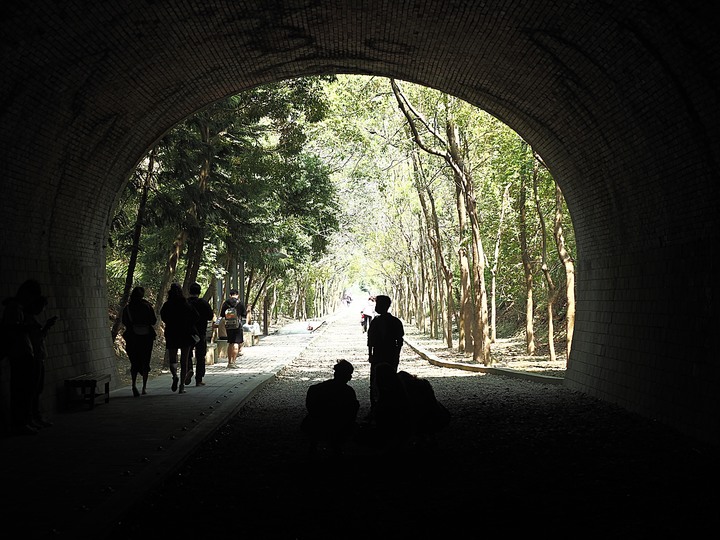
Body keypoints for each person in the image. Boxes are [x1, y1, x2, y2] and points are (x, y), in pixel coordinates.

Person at [0, 279, 53, 435]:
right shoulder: (15, 308)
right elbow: (11, 329)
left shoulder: (19, 308)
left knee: (27, 390)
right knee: (21, 390)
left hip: (25, 353)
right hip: (20, 353)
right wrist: (28, 327)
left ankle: (26, 420)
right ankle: (21, 422)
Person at [300, 360, 360, 456]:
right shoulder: (348, 392)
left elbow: (311, 407)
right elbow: (352, 411)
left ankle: (313, 447)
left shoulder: (316, 389)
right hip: (339, 425)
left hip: (316, 423)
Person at [366, 294, 404, 410]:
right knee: (377, 381)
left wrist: (371, 354)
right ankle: (377, 407)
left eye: (378, 304)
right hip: (385, 355)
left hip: (385, 355)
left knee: (381, 381)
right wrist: (370, 354)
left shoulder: (383, 322)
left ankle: (385, 406)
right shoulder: (392, 321)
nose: (376, 306)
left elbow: (399, 340)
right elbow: (370, 340)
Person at [160, 283, 199, 394]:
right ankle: (181, 386)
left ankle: (174, 376)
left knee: (173, 359)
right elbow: (196, 316)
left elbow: (163, 317)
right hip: (185, 334)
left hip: (172, 333)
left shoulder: (167, 305)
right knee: (184, 360)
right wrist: (188, 324)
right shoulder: (185, 303)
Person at [121, 286, 157, 397]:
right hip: (146, 338)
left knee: (134, 362)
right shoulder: (147, 306)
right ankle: (144, 387)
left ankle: (133, 385)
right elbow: (153, 321)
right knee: (145, 361)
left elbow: (124, 321)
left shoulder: (128, 308)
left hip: (132, 337)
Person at [187, 282, 214, 386]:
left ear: (189, 292)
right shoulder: (203, 303)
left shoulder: (186, 302)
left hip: (188, 332)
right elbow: (210, 316)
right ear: (199, 292)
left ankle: (188, 369)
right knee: (200, 356)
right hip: (201, 332)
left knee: (187, 354)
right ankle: (199, 379)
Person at [220, 289, 246, 368]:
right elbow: (244, 314)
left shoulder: (226, 303)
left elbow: (222, 314)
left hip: (228, 326)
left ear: (230, 295)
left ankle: (229, 362)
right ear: (237, 295)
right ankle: (234, 362)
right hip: (237, 326)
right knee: (236, 343)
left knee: (230, 343)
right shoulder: (240, 303)